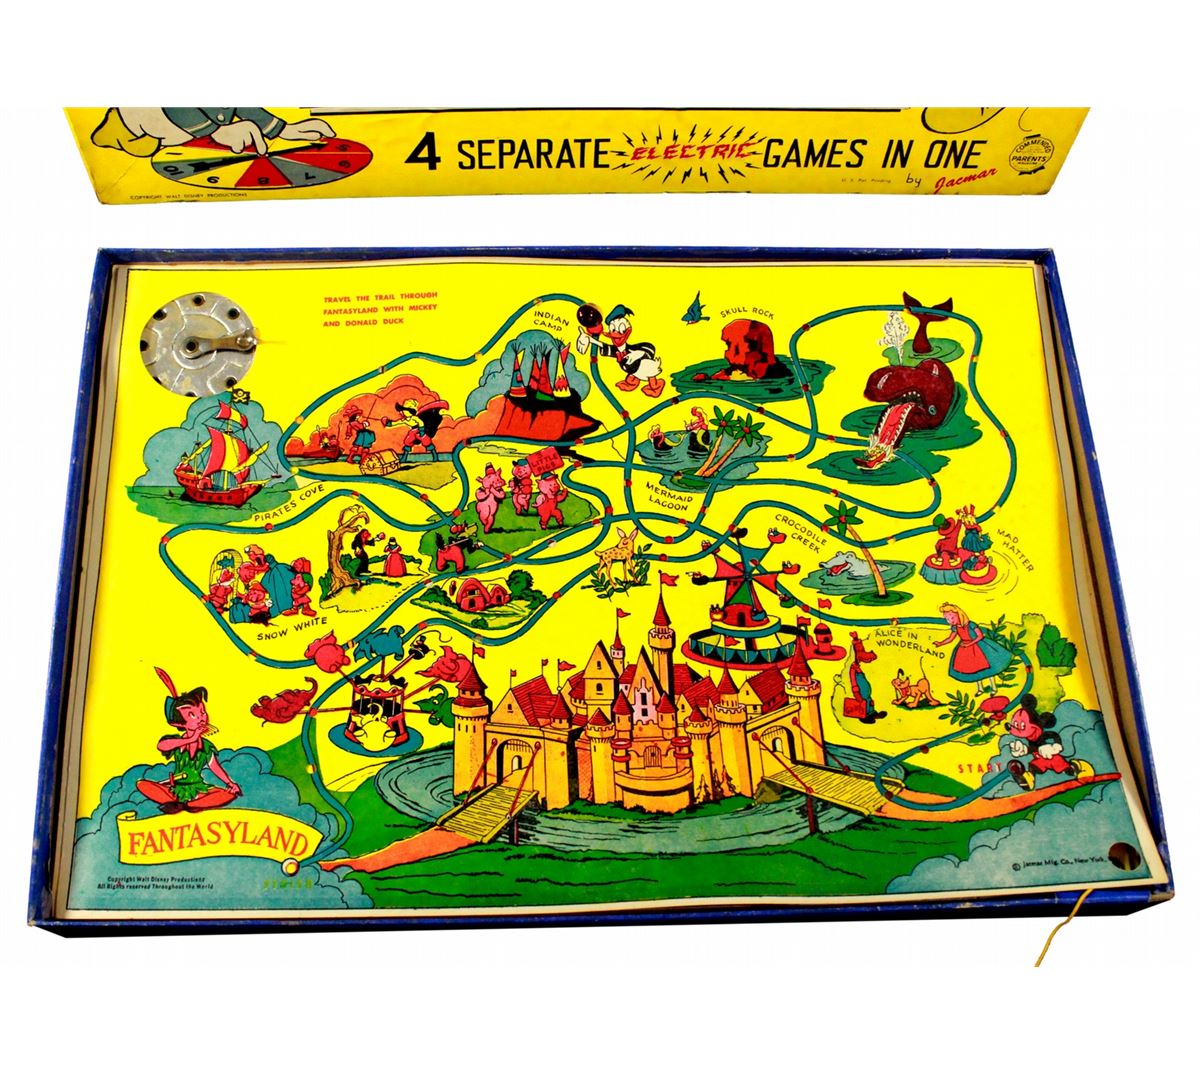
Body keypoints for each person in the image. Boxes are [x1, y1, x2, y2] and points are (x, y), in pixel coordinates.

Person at [135, 668, 241, 814]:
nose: (201, 717)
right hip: (176, 788)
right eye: (192, 715)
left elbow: (215, 767)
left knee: (225, 794)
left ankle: (188, 804)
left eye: (202, 712)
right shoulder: (177, 742)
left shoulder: (206, 747)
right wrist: (191, 739)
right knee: (143, 784)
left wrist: (230, 783)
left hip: (198, 789)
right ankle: (181, 802)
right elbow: (161, 746)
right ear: (179, 724)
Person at [933, 602, 1012, 695]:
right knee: (975, 670)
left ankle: (993, 687)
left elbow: (980, 636)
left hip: (979, 647)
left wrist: (970, 643)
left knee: (988, 668)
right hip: (966, 649)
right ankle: (980, 689)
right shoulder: (955, 628)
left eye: (952, 617)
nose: (950, 621)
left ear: (959, 614)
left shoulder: (971, 624)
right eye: (947, 619)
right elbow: (951, 638)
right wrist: (940, 643)